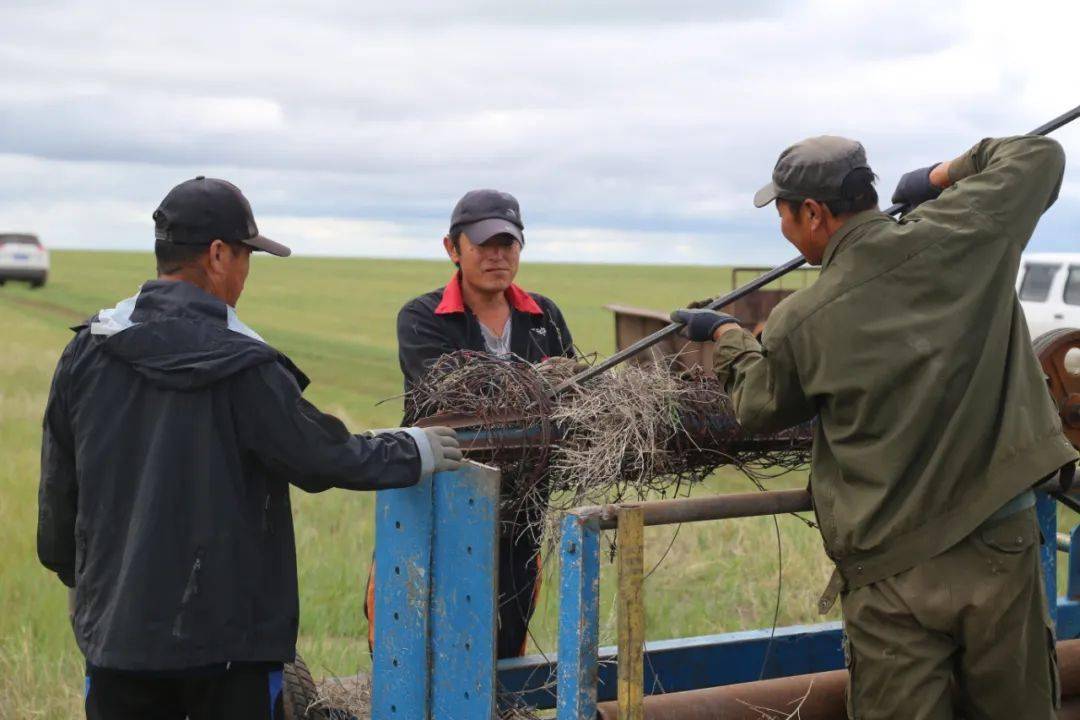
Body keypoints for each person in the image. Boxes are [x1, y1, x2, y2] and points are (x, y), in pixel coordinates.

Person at [671, 135, 1075, 719]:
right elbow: (1041, 157)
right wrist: (940, 177)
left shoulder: (803, 319)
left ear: (813, 212)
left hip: (892, 576)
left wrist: (726, 337)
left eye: (783, 214)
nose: (784, 228)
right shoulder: (967, 234)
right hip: (999, 548)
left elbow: (759, 406)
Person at [37, 176, 462, 720]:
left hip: (118, 644)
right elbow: (321, 455)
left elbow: (58, 493)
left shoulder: (87, 351)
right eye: (246, 256)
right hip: (228, 653)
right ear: (217, 255)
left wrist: (88, 589)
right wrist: (416, 450)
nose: (245, 274)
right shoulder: (243, 365)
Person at [365, 188, 576, 659]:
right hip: (432, 499)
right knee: (409, 640)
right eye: (483, 245)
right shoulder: (421, 317)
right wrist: (543, 389)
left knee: (505, 637)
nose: (497, 256)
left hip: (520, 509)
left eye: (508, 244)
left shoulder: (545, 316)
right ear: (452, 249)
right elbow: (458, 395)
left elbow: (574, 396)